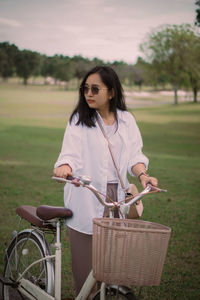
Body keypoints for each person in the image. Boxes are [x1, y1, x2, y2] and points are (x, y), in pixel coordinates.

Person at [53, 65, 158, 295]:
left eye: (95, 89)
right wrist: (65, 167)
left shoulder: (127, 120)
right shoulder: (79, 120)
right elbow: (70, 153)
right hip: (86, 195)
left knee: (113, 263)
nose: (88, 93)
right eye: (85, 88)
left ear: (111, 92)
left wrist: (143, 175)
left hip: (117, 198)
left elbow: (135, 155)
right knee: (86, 270)